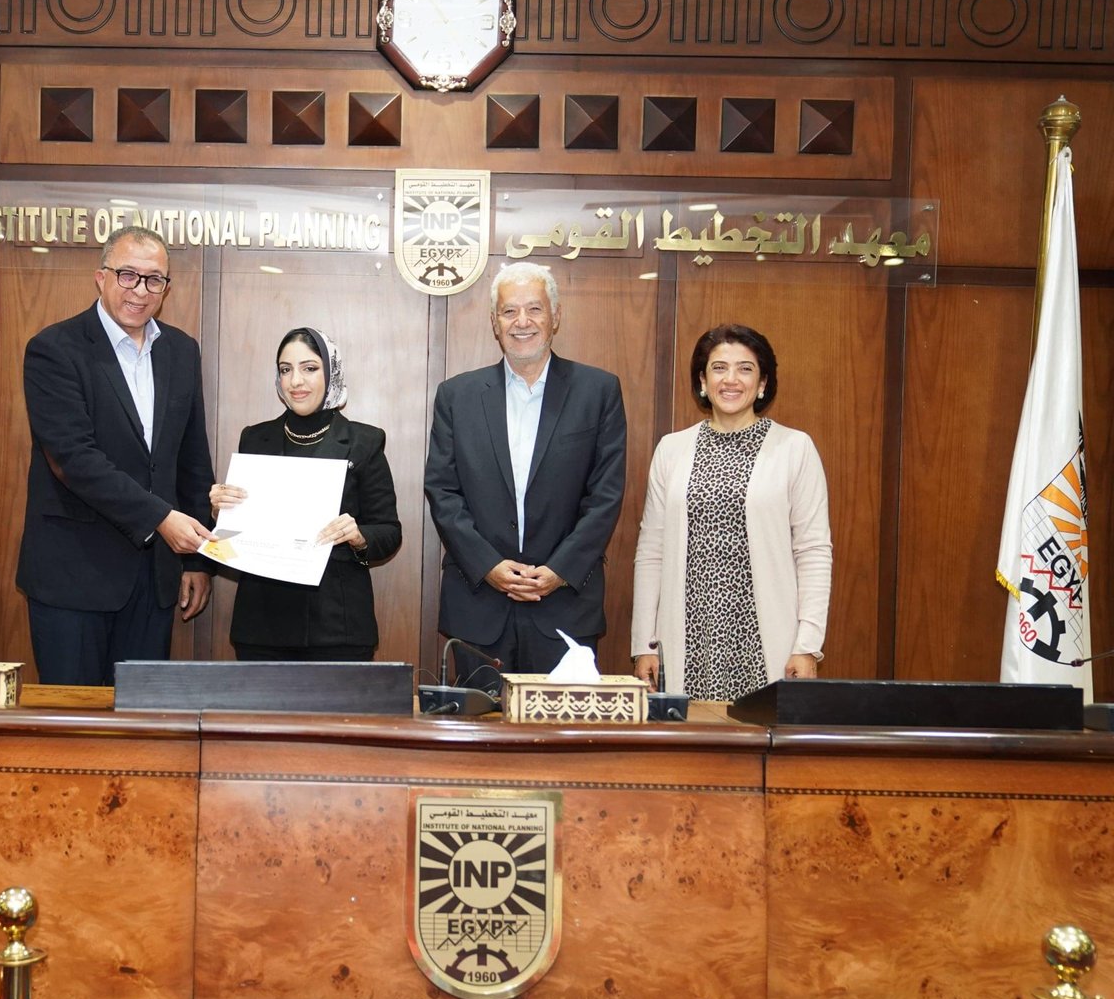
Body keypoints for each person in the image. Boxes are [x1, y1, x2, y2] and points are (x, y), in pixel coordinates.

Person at [15, 225, 214, 686]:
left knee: (142, 719)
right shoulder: (54, 349)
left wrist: (197, 561)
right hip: (74, 577)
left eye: (154, 279)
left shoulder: (182, 352)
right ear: (101, 277)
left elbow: (192, 461)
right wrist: (162, 518)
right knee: (76, 722)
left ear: (166, 288)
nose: (140, 291)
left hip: (154, 579)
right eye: (128, 275)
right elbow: (73, 460)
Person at [423, 261, 627, 681]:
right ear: (494, 322)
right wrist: (488, 565)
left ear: (555, 316)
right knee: (479, 723)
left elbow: (605, 496)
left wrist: (560, 570)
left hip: (565, 607)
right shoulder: (457, 396)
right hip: (478, 607)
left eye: (534, 309)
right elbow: (442, 491)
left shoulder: (598, 391)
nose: (522, 322)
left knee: (561, 725)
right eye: (509, 311)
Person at [631, 323, 832, 700]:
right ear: (702, 381)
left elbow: (813, 551)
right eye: (719, 368)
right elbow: (651, 552)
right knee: (692, 736)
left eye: (745, 368)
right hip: (688, 638)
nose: (731, 380)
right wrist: (645, 644)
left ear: (763, 383)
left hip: (767, 640)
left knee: (760, 734)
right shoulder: (672, 450)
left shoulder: (794, 448)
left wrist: (807, 645)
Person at [210, 327, 401, 661]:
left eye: (309, 368)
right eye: (286, 369)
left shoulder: (364, 441)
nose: (295, 381)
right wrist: (220, 512)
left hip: (337, 626)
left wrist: (358, 536)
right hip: (261, 625)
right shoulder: (254, 438)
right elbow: (234, 535)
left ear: (332, 372)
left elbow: (388, 531)